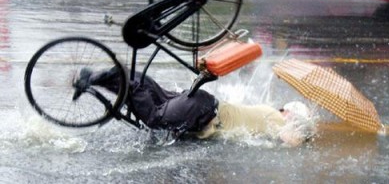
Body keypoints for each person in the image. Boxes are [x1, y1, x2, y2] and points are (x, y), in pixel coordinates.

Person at [86, 67, 316, 146]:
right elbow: (290, 140)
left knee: (155, 94)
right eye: (293, 120)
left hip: (201, 104)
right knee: (155, 117)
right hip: (200, 111)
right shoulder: (273, 118)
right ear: (287, 114)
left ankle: (101, 77)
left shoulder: (264, 112)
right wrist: (308, 136)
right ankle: (122, 81)